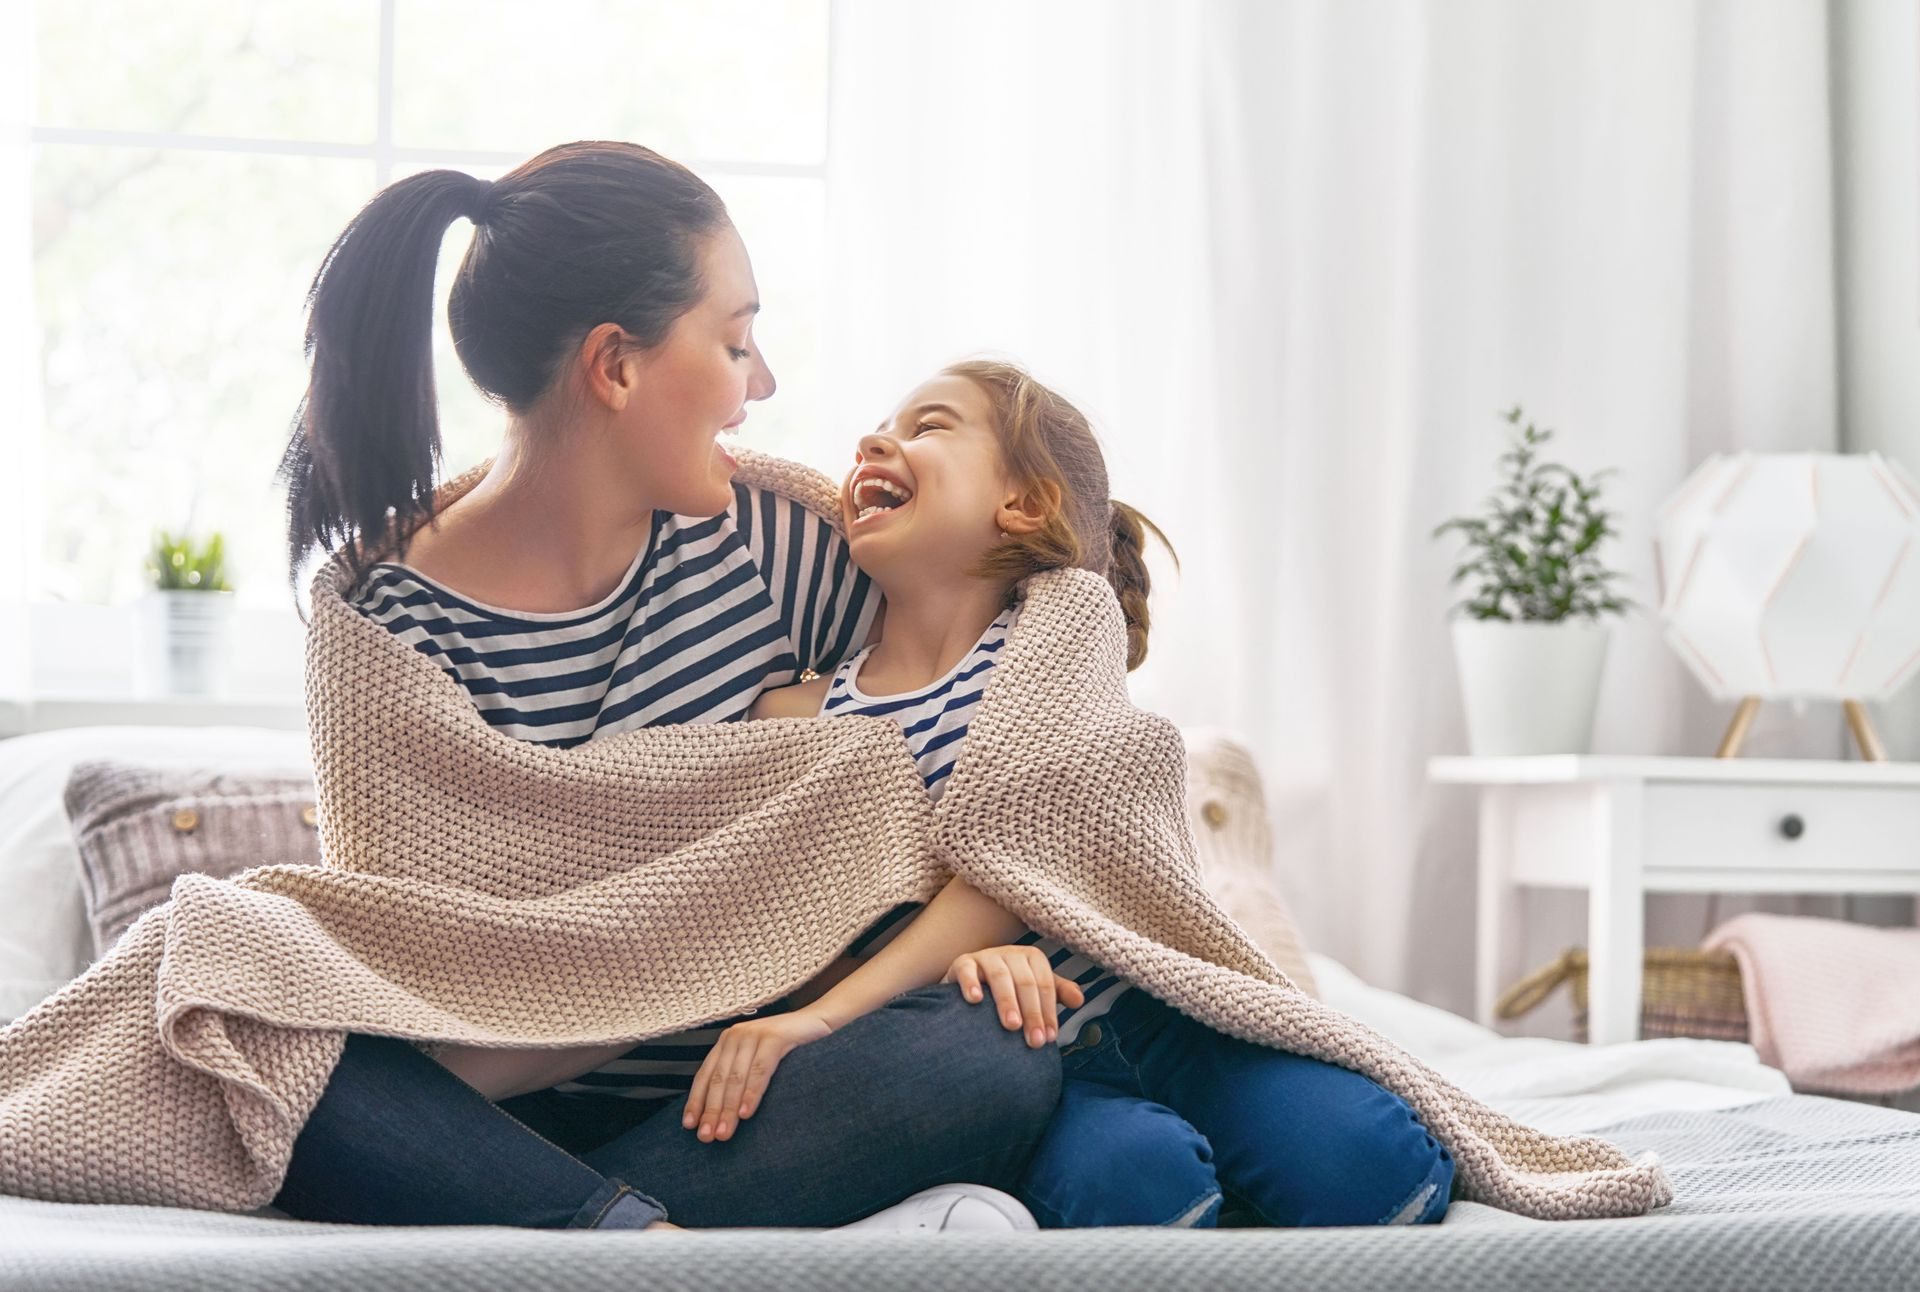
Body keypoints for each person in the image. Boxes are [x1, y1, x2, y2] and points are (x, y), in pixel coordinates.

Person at [270, 141, 1060, 1233]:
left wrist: (982, 926)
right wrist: (701, 945)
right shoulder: (384, 631)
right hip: (485, 1123)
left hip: (737, 1108)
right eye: (736, 342)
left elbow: (995, 717)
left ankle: (599, 1238)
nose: (764, 383)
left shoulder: (779, 547)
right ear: (616, 365)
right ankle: (635, 1241)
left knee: (989, 1056)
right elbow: (421, 986)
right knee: (263, 1041)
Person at [681, 358, 1458, 1229]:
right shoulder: (798, 713)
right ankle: (1213, 1194)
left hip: (1165, 1019)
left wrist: (823, 1021)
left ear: (1024, 504)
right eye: (882, 427)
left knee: (1375, 1169)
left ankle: (1249, 1173)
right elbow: (785, 919)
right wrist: (922, 999)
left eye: (928, 426)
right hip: (1032, 1063)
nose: (876, 442)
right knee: (1140, 1188)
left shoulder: (1061, 632)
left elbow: (1025, 852)